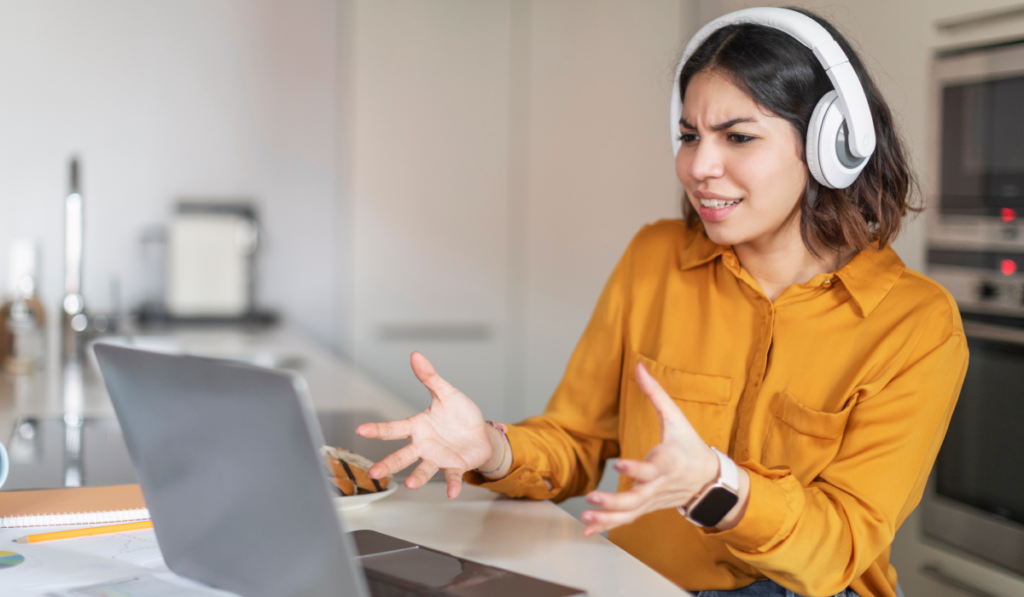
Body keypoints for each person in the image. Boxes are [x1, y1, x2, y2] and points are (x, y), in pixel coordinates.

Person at [356, 7, 968, 597]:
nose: (699, 165)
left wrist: (719, 485)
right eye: (689, 135)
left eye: (738, 136)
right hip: (639, 582)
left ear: (833, 147)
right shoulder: (655, 259)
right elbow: (577, 443)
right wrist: (493, 449)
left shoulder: (915, 323)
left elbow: (842, 544)